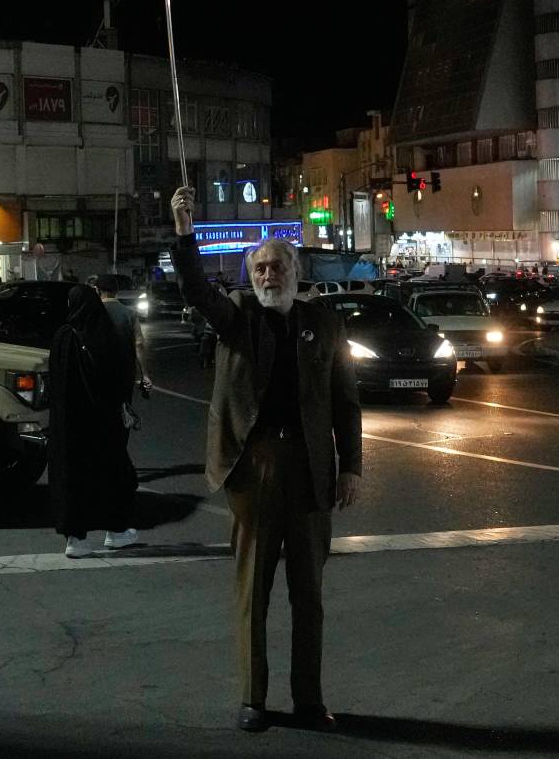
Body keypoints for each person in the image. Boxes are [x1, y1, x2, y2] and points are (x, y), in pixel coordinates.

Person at [170, 186, 361, 733]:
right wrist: (186, 235)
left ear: (294, 271)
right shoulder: (237, 318)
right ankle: (253, 699)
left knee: (310, 596)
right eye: (259, 269)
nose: (268, 275)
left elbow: (345, 400)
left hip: (310, 471)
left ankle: (309, 700)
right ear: (249, 277)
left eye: (277, 266)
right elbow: (195, 290)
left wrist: (351, 464)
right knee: (253, 592)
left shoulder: (323, 323)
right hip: (254, 468)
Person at [48, 285, 139, 556]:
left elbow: (55, 382)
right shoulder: (104, 334)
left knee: (72, 480)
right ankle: (116, 530)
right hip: (103, 425)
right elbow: (120, 377)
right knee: (114, 475)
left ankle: (75, 540)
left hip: (69, 427)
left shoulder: (63, 337)